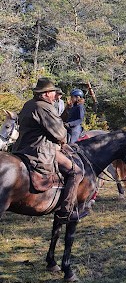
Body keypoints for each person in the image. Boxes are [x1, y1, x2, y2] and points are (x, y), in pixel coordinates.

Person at [12, 77, 85, 222]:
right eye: (53, 92)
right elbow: (59, 133)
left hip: (20, 148)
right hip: (40, 150)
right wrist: (63, 139)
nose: (55, 95)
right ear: (45, 94)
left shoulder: (28, 104)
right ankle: (66, 211)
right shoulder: (44, 107)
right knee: (76, 172)